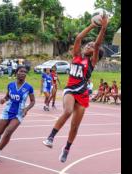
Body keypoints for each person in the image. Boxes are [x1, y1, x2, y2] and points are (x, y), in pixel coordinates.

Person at [42, 16, 108, 162]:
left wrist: (103, 27)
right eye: (88, 44)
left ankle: (66, 149)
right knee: (67, 111)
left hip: (83, 94)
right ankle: (50, 137)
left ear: (94, 53)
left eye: (90, 46)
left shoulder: (92, 61)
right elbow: (78, 38)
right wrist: (92, 25)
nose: (88, 45)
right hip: (70, 90)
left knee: (75, 126)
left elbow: (97, 45)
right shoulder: (76, 56)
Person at [0, 66, 35, 163]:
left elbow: (33, 101)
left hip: (19, 113)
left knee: (9, 131)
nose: (23, 73)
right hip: (7, 111)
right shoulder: (10, 85)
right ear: (16, 73)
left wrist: (26, 109)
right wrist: (3, 99)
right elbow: (7, 96)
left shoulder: (28, 87)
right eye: (21, 71)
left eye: (25, 72)